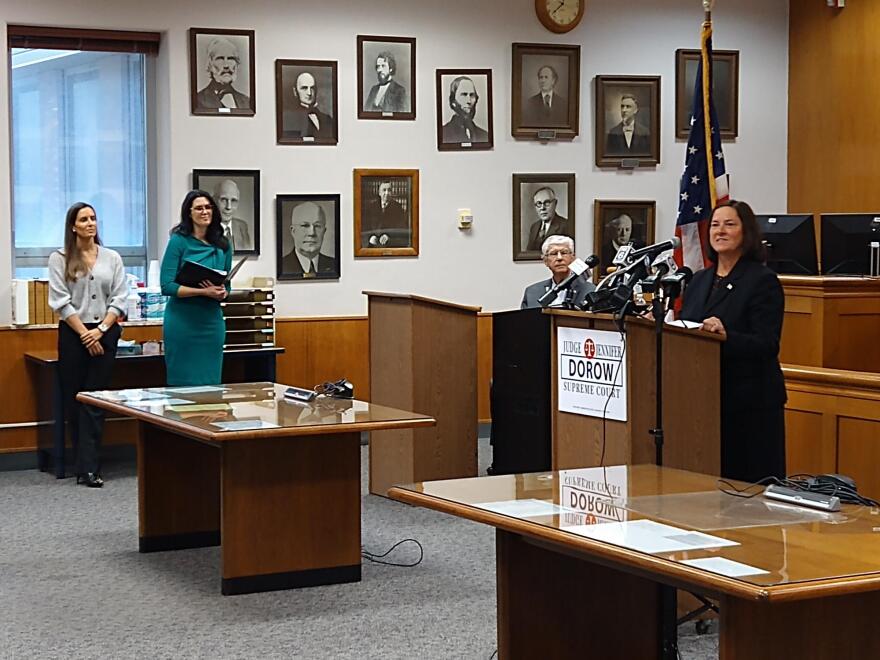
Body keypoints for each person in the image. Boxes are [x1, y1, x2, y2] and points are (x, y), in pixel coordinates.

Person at [679, 200, 786, 484]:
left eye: (729, 224)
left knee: (747, 489)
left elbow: (767, 343)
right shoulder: (699, 280)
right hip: (704, 400)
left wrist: (727, 336)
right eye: (715, 225)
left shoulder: (762, 280)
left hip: (750, 404)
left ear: (746, 233)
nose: (720, 231)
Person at [48, 202, 127, 488]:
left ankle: (92, 466)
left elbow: (120, 297)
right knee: (76, 398)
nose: (90, 223)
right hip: (74, 334)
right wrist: (85, 334)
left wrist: (101, 330)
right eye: (84, 219)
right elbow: (60, 301)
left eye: (93, 218)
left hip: (105, 332)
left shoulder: (112, 258)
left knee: (97, 400)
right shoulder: (60, 259)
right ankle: (82, 465)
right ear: (73, 226)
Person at [160, 190, 232, 386]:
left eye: (208, 207)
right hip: (182, 322)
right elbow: (167, 286)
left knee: (211, 381)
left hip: (211, 322)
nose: (204, 212)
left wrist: (222, 293)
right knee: (183, 384)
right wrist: (202, 292)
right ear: (189, 213)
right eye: (199, 208)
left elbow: (227, 285)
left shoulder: (223, 245)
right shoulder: (178, 241)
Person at [521, 235, 595, 309]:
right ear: (546, 261)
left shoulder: (590, 290)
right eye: (554, 253)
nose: (559, 258)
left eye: (564, 253)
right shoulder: (532, 292)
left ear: (572, 258)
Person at [280, 202, 338, 278]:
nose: (312, 233)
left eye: (317, 226)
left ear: (324, 231)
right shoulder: (282, 265)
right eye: (305, 225)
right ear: (293, 231)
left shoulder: (333, 265)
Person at [195, 37, 250, 111]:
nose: (226, 65)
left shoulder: (246, 101)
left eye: (231, 58)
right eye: (220, 58)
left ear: (236, 64)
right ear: (210, 64)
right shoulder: (198, 99)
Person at [282, 71, 334, 139]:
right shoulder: (288, 118)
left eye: (312, 88)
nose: (309, 93)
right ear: (295, 91)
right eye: (304, 88)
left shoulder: (327, 119)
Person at [361, 181, 409, 247]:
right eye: (384, 190)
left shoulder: (398, 208)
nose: (387, 193)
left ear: (392, 192)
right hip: (372, 243)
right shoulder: (371, 207)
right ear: (379, 193)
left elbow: (401, 229)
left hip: (390, 243)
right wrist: (370, 237)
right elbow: (365, 227)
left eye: (389, 190)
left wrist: (389, 236)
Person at [442, 76, 489, 143]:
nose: (469, 101)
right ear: (453, 100)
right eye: (464, 95)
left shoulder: (485, 136)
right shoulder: (443, 134)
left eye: (472, 95)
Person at [526, 187, 570, 251]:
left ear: (555, 203)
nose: (542, 208)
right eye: (539, 203)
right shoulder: (534, 227)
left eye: (547, 202)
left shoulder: (566, 225)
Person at [213, 179, 252, 251]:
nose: (228, 207)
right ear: (214, 200)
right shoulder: (205, 229)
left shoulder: (242, 226)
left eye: (233, 200)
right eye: (224, 200)